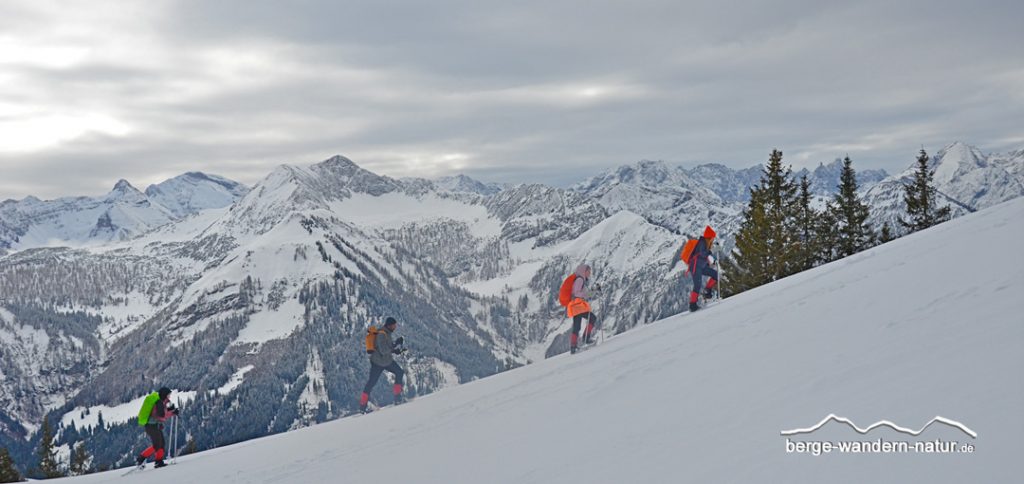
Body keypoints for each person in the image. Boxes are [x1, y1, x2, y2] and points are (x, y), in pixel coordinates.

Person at [359, 317, 406, 413]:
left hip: (385, 361)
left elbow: (386, 346)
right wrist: (394, 350)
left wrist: (396, 343)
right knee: (372, 383)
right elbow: (383, 350)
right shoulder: (382, 334)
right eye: (394, 325)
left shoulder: (386, 333)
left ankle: (363, 406)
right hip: (379, 363)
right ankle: (397, 399)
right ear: (389, 325)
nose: (395, 327)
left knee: (399, 372)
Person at [135, 387, 178, 468]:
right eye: (168, 395)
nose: (169, 397)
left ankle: (159, 461)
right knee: (157, 445)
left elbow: (164, 411)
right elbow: (159, 416)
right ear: (164, 395)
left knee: (162, 444)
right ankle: (141, 458)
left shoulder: (163, 401)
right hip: (151, 426)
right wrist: (172, 413)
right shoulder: (158, 403)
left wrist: (171, 410)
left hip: (156, 426)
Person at [686, 225, 719, 312]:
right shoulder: (702, 243)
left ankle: (707, 290)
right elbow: (703, 254)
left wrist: (714, 260)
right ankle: (692, 305)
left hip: (702, 266)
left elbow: (706, 255)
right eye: (712, 238)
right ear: (709, 237)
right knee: (697, 285)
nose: (713, 240)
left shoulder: (706, 244)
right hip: (695, 267)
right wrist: (711, 252)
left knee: (715, 274)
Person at [567, 263, 599, 354]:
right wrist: (587, 293)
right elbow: (576, 293)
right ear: (584, 271)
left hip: (576, 306)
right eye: (588, 271)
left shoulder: (581, 280)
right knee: (592, 318)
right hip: (578, 305)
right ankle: (586, 339)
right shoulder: (580, 280)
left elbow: (585, 295)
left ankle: (573, 346)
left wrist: (593, 291)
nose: (590, 273)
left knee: (577, 325)